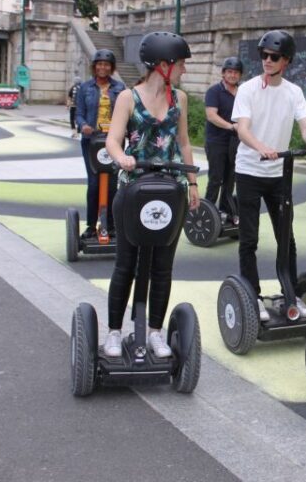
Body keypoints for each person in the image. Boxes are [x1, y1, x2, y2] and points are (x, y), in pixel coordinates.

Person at [103, 31, 200, 358]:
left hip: (171, 191)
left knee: (162, 266)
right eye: (181, 63)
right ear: (163, 64)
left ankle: (155, 332)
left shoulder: (180, 99)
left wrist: (193, 184)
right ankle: (114, 332)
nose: (184, 69)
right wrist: (121, 157)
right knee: (126, 264)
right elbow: (113, 140)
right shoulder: (127, 98)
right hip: (133, 189)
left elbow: (184, 142)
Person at [231, 30, 306, 322]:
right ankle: (254, 296)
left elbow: (305, 125)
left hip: (278, 175)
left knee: (286, 237)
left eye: (274, 57)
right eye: (264, 55)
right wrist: (261, 147)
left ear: (286, 61)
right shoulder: (247, 89)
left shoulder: (293, 92)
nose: (267, 61)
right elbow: (242, 128)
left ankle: (290, 293)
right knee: (249, 239)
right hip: (249, 171)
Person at [75, 49, 124, 239]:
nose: (102, 67)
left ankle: (110, 225)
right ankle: (91, 226)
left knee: (112, 184)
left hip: (114, 140)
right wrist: (83, 126)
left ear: (111, 67)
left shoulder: (119, 88)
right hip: (92, 141)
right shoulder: (85, 88)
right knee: (94, 184)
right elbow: (79, 113)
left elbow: (126, 112)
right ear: (94, 66)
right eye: (99, 64)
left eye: (106, 64)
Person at [203, 56, 243, 222]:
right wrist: (230, 126)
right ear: (223, 73)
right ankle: (207, 213)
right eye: (230, 72)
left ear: (240, 75)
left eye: (236, 73)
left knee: (230, 179)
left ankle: (225, 212)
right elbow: (211, 115)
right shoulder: (214, 91)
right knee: (216, 178)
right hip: (216, 141)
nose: (233, 75)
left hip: (234, 142)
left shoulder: (243, 93)